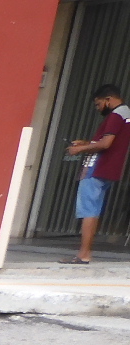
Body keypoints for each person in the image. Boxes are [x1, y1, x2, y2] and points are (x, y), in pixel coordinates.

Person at [62, 84, 130, 264]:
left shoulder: (115, 115)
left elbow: (106, 144)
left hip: (97, 168)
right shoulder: (126, 114)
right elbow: (111, 143)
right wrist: (86, 143)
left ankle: (84, 254)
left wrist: (79, 149)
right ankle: (85, 252)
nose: (98, 108)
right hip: (110, 169)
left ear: (108, 99)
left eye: (98, 104)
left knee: (89, 211)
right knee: (94, 210)